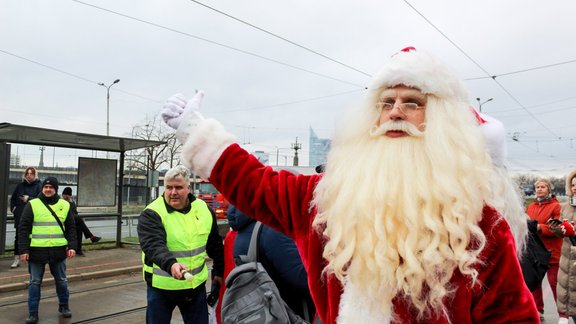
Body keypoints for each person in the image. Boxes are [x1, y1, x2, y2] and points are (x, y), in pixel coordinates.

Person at [161, 47, 538, 322]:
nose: (394, 112)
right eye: (386, 101)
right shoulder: (327, 198)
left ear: (439, 121)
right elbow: (256, 184)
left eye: (412, 102)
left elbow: (513, 316)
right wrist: (196, 132)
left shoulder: (477, 222)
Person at [137, 165, 224, 324]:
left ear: (189, 188)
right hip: (161, 289)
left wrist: (220, 269)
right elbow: (153, 246)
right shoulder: (152, 213)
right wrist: (171, 264)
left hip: (194, 288)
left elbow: (215, 244)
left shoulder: (203, 209)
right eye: (169, 187)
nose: (173, 192)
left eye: (178, 187)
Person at [227, 204, 316, 320]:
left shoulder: (245, 229)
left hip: (263, 312)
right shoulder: (271, 230)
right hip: (285, 313)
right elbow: (303, 279)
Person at [18, 176, 77, 324]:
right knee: (34, 283)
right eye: (46, 187)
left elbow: (71, 228)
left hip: (58, 251)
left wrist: (72, 246)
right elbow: (23, 228)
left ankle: (64, 307)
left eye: (51, 187)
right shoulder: (33, 204)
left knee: (62, 281)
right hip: (36, 251)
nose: (48, 189)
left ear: (55, 189)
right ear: (42, 188)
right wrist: (23, 250)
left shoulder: (65, 204)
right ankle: (33, 313)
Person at [526, 178, 567, 321]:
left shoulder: (556, 207)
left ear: (549, 189)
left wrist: (539, 227)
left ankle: (563, 314)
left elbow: (559, 228)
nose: (540, 189)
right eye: (537, 187)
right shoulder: (530, 207)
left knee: (556, 285)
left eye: (543, 187)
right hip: (535, 252)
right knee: (535, 283)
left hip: (552, 253)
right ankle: (538, 310)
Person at [9, 166, 42, 268]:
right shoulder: (20, 186)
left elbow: (40, 200)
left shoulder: (39, 186)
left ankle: (32, 258)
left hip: (33, 216)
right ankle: (16, 259)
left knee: (32, 237)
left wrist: (28, 199)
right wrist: (13, 208)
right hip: (19, 215)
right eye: (27, 173)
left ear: (35, 174)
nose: (29, 175)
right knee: (18, 237)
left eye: (31, 173)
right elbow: (13, 198)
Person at [555, 171, 576, 324]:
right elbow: (562, 228)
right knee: (570, 298)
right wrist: (558, 228)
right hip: (567, 260)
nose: (575, 188)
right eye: (573, 185)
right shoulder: (566, 206)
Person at [61, 187, 101, 256]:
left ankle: (78, 250)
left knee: (79, 228)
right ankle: (91, 237)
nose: (67, 196)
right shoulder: (61, 202)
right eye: (65, 195)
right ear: (63, 195)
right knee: (79, 219)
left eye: (68, 195)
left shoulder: (72, 203)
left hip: (74, 221)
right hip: (65, 222)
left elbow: (75, 212)